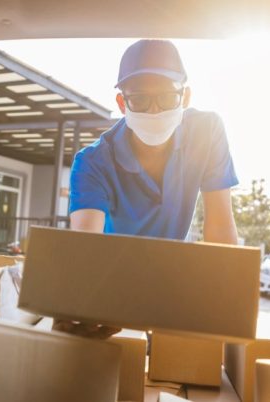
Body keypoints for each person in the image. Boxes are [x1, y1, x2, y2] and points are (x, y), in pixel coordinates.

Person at [52, 39, 239, 339]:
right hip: (113, 291)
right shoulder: (92, 163)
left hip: (176, 282)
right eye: (139, 99)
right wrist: (79, 298)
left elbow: (219, 231)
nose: (154, 111)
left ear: (186, 96)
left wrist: (228, 306)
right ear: (122, 103)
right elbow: (85, 246)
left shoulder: (206, 132)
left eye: (166, 97)